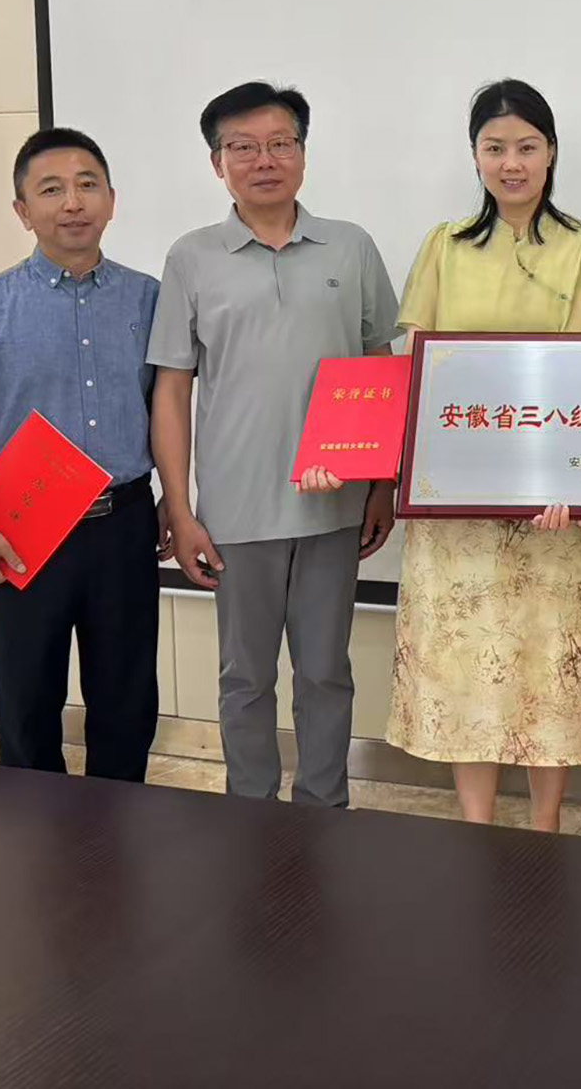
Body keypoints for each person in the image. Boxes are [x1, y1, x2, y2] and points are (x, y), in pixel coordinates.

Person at [149, 81, 399, 807]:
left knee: (326, 673)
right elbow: (172, 388)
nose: (265, 160)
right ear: (217, 162)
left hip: (335, 506)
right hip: (236, 509)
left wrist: (382, 482)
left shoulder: (351, 246)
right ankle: (250, 815)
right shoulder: (192, 257)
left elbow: (379, 367)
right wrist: (181, 506)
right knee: (245, 678)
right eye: (244, 147)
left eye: (281, 143)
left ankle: (324, 809)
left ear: (303, 153)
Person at [387, 79, 581, 833]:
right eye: (495, 148)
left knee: (548, 665)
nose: (511, 163)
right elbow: (418, 362)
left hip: (553, 504)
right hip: (457, 506)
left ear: (551, 152)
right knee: (466, 669)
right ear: (475, 156)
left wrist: (567, 482)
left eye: (526, 147)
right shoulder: (445, 243)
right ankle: (477, 824)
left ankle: (546, 825)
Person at [0, 128, 165, 780]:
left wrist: (174, 500)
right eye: (52, 189)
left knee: (127, 700)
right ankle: (30, 836)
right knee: (27, 703)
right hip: (22, 527)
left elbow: (168, 411)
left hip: (123, 522)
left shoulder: (149, 299)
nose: (73, 203)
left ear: (112, 200)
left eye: (88, 185)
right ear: (23, 210)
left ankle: (119, 825)